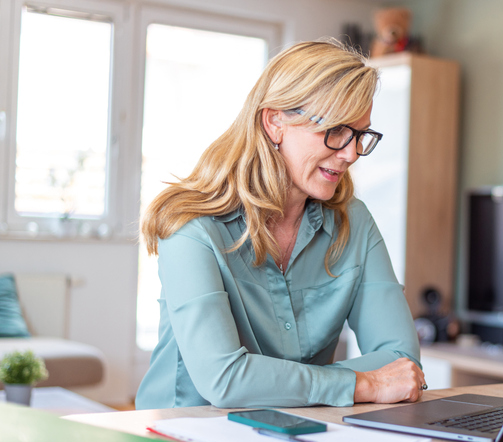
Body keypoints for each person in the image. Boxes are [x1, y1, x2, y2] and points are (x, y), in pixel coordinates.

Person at [135, 40, 426, 409]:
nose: (351, 153)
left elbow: (401, 360)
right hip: (182, 439)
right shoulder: (192, 225)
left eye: (359, 135)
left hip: (299, 433)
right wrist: (363, 384)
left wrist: (282, 383)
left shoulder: (354, 221)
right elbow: (224, 380)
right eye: (336, 131)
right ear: (275, 122)